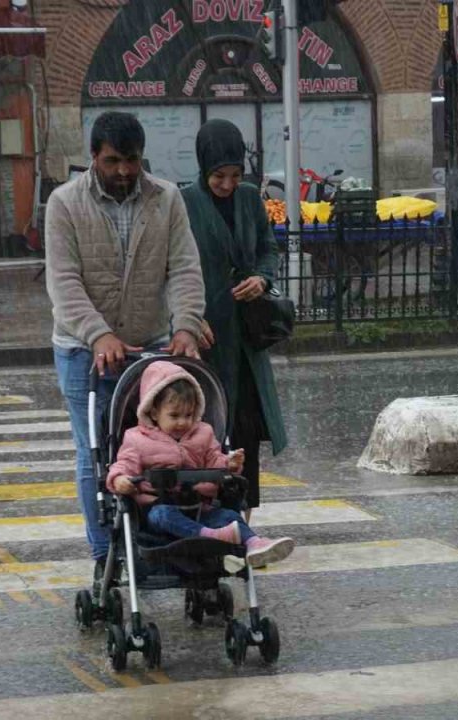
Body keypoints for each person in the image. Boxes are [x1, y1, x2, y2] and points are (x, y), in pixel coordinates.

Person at [45, 111, 207, 591]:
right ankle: (105, 553)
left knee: (163, 449)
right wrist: (98, 334)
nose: (122, 171)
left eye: (131, 161)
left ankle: (160, 542)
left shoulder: (167, 199)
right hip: (83, 351)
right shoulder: (64, 204)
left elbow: (182, 269)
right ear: (93, 157)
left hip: (152, 348)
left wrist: (187, 327)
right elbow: (64, 281)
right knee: (94, 455)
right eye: (113, 161)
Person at [180, 119, 289, 520]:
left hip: (245, 335)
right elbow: (173, 265)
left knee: (244, 428)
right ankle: (209, 515)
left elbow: (268, 248)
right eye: (218, 176)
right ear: (203, 169)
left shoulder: (248, 199)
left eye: (235, 175)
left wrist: (262, 278)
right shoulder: (185, 203)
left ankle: (244, 518)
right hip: (207, 335)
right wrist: (187, 316)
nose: (227, 184)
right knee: (206, 426)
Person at [106, 360, 294, 569]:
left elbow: (214, 460)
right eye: (174, 416)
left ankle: (254, 544)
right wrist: (119, 479)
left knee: (230, 515)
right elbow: (123, 464)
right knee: (162, 515)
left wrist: (229, 464)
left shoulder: (203, 433)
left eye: (188, 415)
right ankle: (211, 536)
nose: (182, 422)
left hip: (200, 507)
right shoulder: (136, 439)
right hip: (159, 507)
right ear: (153, 412)